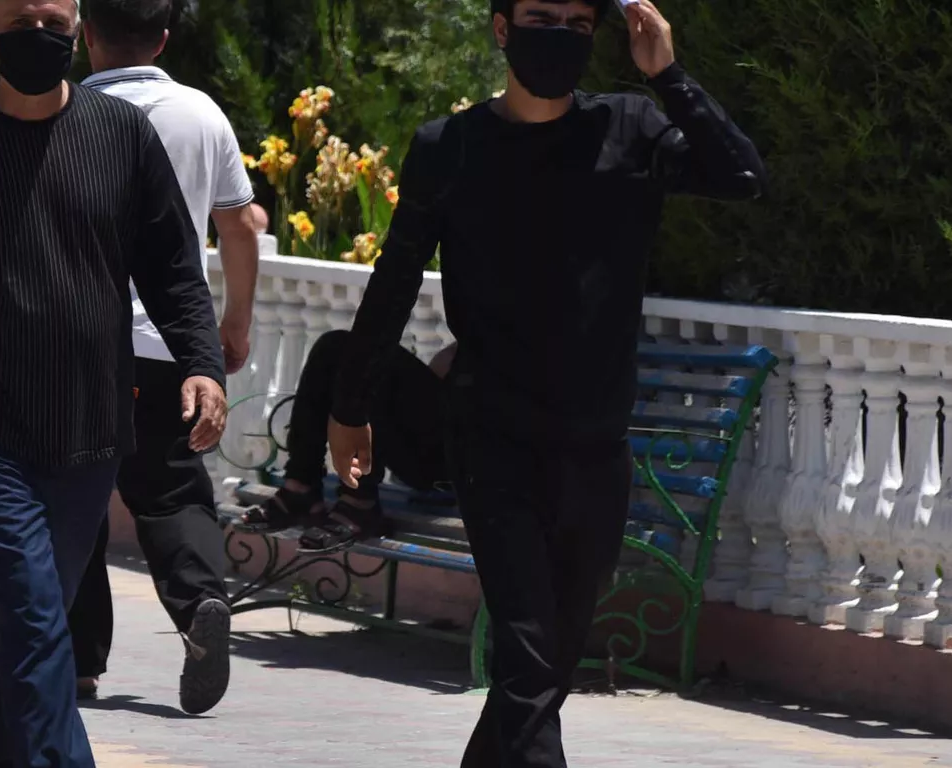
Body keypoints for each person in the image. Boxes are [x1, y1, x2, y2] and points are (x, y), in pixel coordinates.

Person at [326, 2, 765, 765]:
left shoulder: (629, 131)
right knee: (530, 662)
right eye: (539, 14)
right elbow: (395, 280)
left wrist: (668, 73)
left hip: (596, 449)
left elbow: (742, 174)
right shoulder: (451, 147)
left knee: (541, 672)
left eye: (576, 20)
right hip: (491, 443)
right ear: (502, 28)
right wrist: (349, 407)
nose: (558, 32)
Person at [0, 0, 227, 763]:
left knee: (36, 629)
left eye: (55, 23)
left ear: (77, 27)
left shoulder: (121, 135)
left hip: (89, 432)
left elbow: (173, 267)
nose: (40, 36)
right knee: (36, 623)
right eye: (21, 22)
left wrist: (200, 360)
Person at [64, 0, 259, 714]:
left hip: (79, 345)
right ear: (165, 38)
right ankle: (201, 599)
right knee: (173, 489)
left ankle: (78, 662)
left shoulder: (63, 112)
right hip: (171, 346)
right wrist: (232, 323)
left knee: (74, 498)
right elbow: (238, 226)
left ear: (86, 35)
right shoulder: (201, 114)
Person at [236, 332, 457, 553]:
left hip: (460, 468)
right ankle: (301, 485)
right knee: (335, 345)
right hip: (442, 438)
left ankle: (360, 503)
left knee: (375, 360)